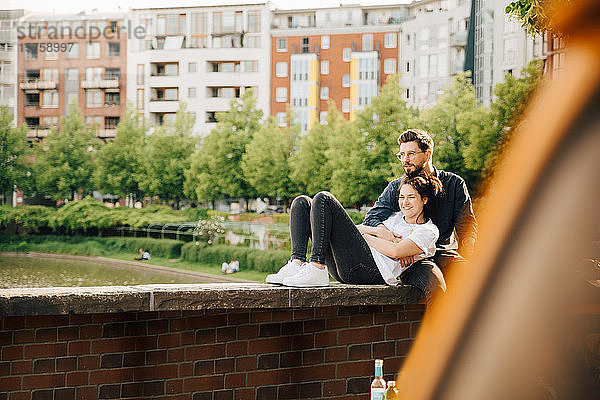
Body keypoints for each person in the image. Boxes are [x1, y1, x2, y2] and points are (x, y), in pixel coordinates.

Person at [266, 173, 447, 303]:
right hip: (346, 265)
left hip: (370, 270)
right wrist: (378, 232)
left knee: (323, 199)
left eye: (411, 197)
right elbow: (356, 230)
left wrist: (369, 238)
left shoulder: (427, 230)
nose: (404, 202)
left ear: (424, 200)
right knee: (302, 202)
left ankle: (316, 266)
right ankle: (296, 262)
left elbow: (395, 251)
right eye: (401, 197)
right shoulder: (394, 218)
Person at [363, 128, 477, 276]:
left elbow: (467, 228)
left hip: (443, 254)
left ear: (428, 154)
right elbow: (371, 218)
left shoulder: (454, 183)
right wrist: (396, 242)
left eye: (411, 154)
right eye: (402, 155)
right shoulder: (397, 187)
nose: (405, 160)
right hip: (411, 260)